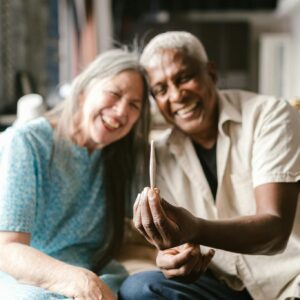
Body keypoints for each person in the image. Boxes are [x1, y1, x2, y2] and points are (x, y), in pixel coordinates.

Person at [118, 31, 300, 300]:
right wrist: (175, 260)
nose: (176, 95)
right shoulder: (161, 153)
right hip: (227, 287)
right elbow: (182, 247)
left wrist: (196, 229)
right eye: (161, 90)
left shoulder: (269, 115)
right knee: (139, 289)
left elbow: (275, 231)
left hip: (290, 281)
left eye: (184, 78)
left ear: (211, 74)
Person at [0, 48, 150, 299]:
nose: (122, 111)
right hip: (28, 278)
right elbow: (7, 248)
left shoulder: (120, 158)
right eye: (115, 93)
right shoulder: (28, 143)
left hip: (97, 272)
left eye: (134, 105)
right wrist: (81, 281)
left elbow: (134, 229)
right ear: (83, 92)